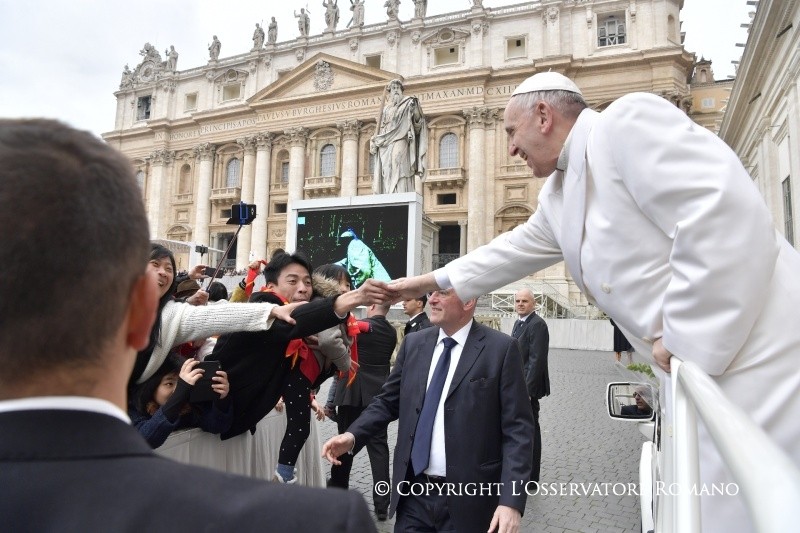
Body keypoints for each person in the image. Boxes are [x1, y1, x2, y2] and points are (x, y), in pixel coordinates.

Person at [382, 71, 800, 533]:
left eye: (512, 132)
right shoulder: (558, 195)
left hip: (757, 355)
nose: (511, 149)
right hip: (700, 375)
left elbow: (723, 216)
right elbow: (507, 252)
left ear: (544, 116)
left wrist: (683, 337)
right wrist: (420, 283)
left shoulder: (626, 123)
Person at [0, 118, 377, 532]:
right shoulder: (326, 520)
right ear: (144, 317)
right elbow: (214, 317)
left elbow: (217, 316)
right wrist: (310, 306)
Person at [323, 288, 533, 533]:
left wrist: (511, 502)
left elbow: (518, 431)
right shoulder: (414, 343)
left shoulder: (501, 349)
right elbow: (387, 401)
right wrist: (352, 435)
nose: (431, 299)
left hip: (470, 500)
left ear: (468, 301)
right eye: (431, 293)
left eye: (442, 293)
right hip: (413, 495)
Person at [206, 252, 382, 443]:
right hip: (208, 412)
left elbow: (305, 378)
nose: (303, 289)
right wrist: (352, 298)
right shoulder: (265, 305)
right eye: (292, 281)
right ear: (271, 286)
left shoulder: (294, 328)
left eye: (308, 282)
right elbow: (295, 323)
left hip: (233, 419)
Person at [130, 243, 297, 388]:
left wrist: (271, 311)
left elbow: (216, 315)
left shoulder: (172, 314)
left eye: (169, 269)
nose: (163, 272)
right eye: (155, 264)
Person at [272, 263, 358, 484]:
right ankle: (282, 478)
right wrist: (345, 363)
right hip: (301, 372)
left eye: (348, 284)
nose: (345, 288)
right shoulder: (326, 305)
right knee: (299, 428)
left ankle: (283, 476)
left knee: (299, 428)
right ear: (327, 282)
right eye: (340, 283)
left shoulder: (326, 304)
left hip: (305, 374)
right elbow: (329, 341)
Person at [328, 301, 396, 521]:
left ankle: (338, 491)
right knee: (379, 450)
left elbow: (340, 335)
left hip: (353, 393)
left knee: (344, 445)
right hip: (379, 396)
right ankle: (382, 504)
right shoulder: (391, 332)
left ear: (373, 306)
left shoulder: (363, 326)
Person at [129, 353, 232, 448]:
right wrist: (180, 393)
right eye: (169, 384)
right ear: (150, 387)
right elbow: (145, 440)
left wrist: (221, 399)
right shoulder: (133, 409)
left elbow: (217, 426)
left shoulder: (188, 407)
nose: (178, 390)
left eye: (181, 383)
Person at [512, 288, 550, 484]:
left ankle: (532, 477)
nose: (520, 304)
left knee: (531, 431)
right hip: (518, 386)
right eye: (518, 301)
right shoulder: (519, 322)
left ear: (533, 304)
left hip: (528, 390)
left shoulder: (537, 325)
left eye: (524, 301)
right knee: (523, 430)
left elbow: (537, 360)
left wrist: (527, 392)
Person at [370, 79, 428, 194]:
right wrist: (375, 140)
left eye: (398, 88)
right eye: (393, 89)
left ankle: (400, 192)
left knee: (398, 162)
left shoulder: (409, 103)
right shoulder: (386, 109)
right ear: (390, 93)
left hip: (401, 138)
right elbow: (381, 127)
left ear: (402, 90)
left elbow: (417, 122)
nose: (396, 90)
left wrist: (415, 109)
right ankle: (389, 193)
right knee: (387, 169)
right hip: (386, 142)